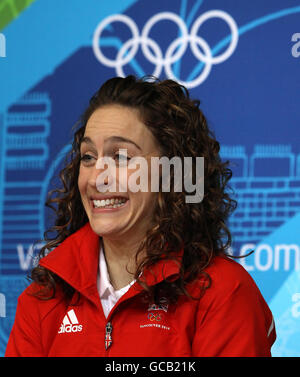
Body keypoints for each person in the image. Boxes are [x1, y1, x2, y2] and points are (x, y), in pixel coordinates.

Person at [5, 75, 276, 357]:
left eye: (121, 157)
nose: (97, 177)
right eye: (88, 157)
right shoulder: (44, 298)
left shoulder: (223, 292)